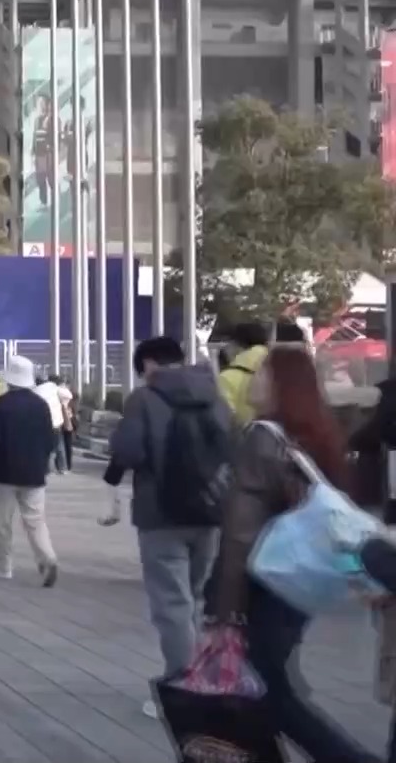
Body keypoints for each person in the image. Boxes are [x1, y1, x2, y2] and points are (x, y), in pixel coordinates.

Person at [204, 346, 376, 762]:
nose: (253, 380)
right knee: (269, 681)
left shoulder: (262, 437)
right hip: (300, 578)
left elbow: (240, 533)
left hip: (266, 578)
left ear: (280, 385)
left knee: (268, 691)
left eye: (262, 373)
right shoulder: (315, 435)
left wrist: (225, 610)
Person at [108, 334, 232, 720]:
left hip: (160, 514)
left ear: (148, 364)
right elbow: (233, 447)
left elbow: (128, 451)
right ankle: (200, 679)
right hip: (210, 513)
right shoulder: (214, 396)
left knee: (172, 604)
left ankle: (183, 689)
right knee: (194, 599)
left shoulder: (143, 399)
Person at [0, 356, 60, 587]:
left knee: (2, 522)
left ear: (9, 379)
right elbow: (50, 439)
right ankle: (47, 557)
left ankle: (3, 567)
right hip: (34, 473)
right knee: (35, 520)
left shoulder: (1, 404)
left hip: (5, 472)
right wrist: (43, 463)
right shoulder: (41, 404)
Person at [216, 321, 268, 427]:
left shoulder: (227, 377)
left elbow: (224, 420)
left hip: (243, 435)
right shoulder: (279, 369)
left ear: (236, 345)